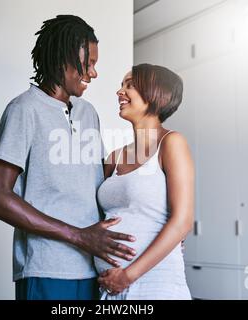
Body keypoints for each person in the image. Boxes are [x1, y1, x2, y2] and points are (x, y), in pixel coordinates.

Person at [0, 15, 136, 300]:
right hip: (46, 269)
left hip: (94, 268)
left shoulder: (88, 113)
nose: (93, 73)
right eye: (87, 64)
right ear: (62, 60)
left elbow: (99, 186)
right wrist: (79, 236)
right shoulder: (24, 110)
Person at [94, 64, 194, 300]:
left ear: (155, 94)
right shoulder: (114, 157)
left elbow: (182, 221)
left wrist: (127, 276)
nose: (120, 91)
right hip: (110, 287)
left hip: (156, 284)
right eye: (121, 85)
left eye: (130, 85)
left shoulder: (171, 143)